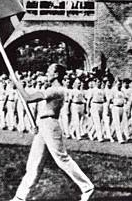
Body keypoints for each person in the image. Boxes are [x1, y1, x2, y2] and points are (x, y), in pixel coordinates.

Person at [9, 63, 94, 201]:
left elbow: (28, 98)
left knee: (62, 159)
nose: (46, 74)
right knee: (34, 163)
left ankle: (87, 188)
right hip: (44, 124)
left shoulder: (56, 90)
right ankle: (20, 197)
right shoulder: (54, 89)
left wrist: (17, 83)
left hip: (50, 125)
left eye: (49, 71)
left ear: (56, 74)